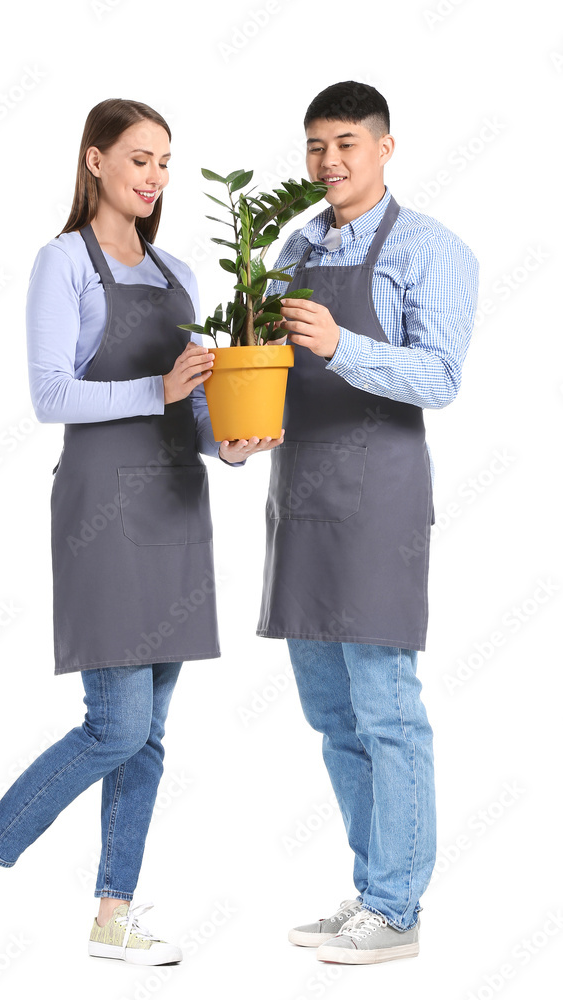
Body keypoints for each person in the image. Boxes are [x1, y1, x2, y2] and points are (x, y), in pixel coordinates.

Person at [0, 98, 279, 966]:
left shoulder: (182, 275)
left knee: (149, 733)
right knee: (114, 726)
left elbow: (192, 408)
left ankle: (112, 913)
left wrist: (227, 444)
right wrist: (154, 391)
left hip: (175, 507)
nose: (155, 178)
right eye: (139, 160)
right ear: (93, 162)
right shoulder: (62, 264)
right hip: (101, 511)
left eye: (164, 163)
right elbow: (51, 395)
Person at [257, 81, 479, 965]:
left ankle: (398, 910)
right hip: (301, 497)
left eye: (346, 143)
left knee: (386, 711)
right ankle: (369, 894)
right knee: (331, 714)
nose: (328, 162)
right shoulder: (290, 243)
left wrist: (340, 344)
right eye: (315, 146)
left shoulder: (432, 248)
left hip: (379, 503)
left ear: (385, 147)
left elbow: (439, 378)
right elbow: (263, 358)